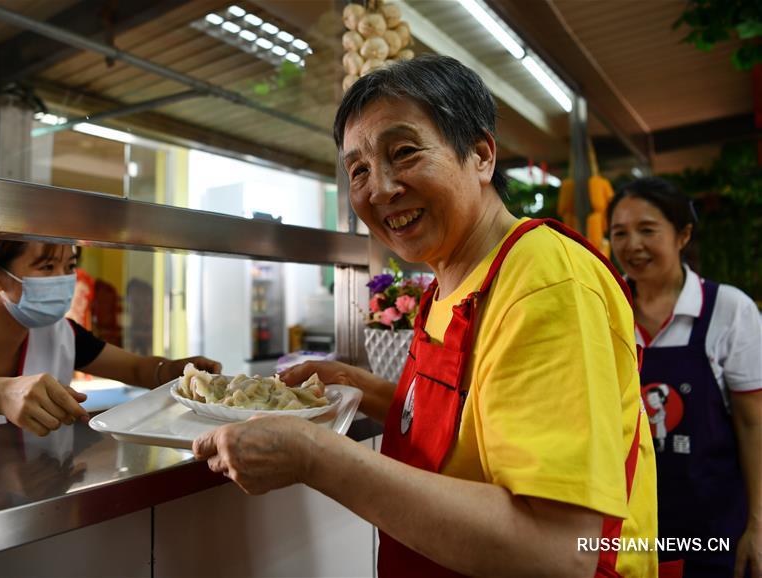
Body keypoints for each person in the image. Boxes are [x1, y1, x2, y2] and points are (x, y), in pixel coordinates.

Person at [192, 55, 660, 577]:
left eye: (405, 152)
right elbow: (471, 429)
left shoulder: (544, 281)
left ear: (481, 155)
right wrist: (355, 384)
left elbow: (556, 552)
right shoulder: (452, 280)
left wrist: (313, 455)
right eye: (359, 170)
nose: (381, 189)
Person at [0, 238, 220, 440]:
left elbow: (140, 370)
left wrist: (175, 370)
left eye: (68, 266)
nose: (64, 279)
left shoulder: (58, 333)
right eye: (46, 267)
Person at [609, 177, 761, 578]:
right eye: (619, 233)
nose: (632, 245)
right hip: (628, 537)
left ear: (683, 235)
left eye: (647, 229)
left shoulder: (728, 309)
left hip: (715, 533)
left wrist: (758, 525)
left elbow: (754, 422)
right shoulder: (606, 312)